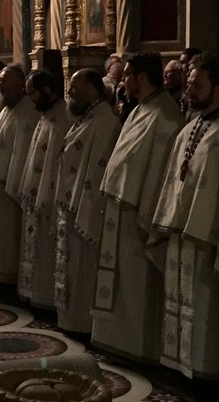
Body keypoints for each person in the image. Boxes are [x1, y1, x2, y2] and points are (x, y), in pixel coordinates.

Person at [92, 52, 184, 362]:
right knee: (122, 280)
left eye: (128, 76)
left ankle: (138, 347)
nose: (123, 81)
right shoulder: (142, 108)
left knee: (136, 282)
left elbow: (161, 171)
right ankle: (117, 340)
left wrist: (149, 212)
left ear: (142, 78)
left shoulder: (166, 116)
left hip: (140, 213)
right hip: (123, 210)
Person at [151, 54, 219, 379]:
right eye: (189, 84)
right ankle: (179, 364)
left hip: (208, 238)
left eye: (197, 86)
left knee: (205, 307)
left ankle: (204, 371)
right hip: (182, 231)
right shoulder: (190, 127)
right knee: (179, 301)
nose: (189, 92)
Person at [53, 69, 120, 333]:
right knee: (72, 266)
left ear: (92, 89)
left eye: (75, 87)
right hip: (72, 202)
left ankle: (81, 323)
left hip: (86, 206)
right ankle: (70, 320)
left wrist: (86, 204)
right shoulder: (87, 117)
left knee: (83, 268)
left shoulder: (104, 122)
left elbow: (98, 169)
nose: (70, 92)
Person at [18, 69, 74, 308]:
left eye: (32, 93)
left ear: (47, 91)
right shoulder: (45, 115)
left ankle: (45, 297)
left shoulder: (64, 118)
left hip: (49, 196)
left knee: (47, 249)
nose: (29, 98)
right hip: (35, 193)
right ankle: (33, 293)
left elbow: (57, 164)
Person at [0, 65, 39, 283]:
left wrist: (15, 183)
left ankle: (7, 274)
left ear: (19, 85)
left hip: (11, 185)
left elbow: (24, 153)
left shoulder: (28, 112)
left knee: (8, 233)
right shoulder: (6, 108)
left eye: (4, 81)